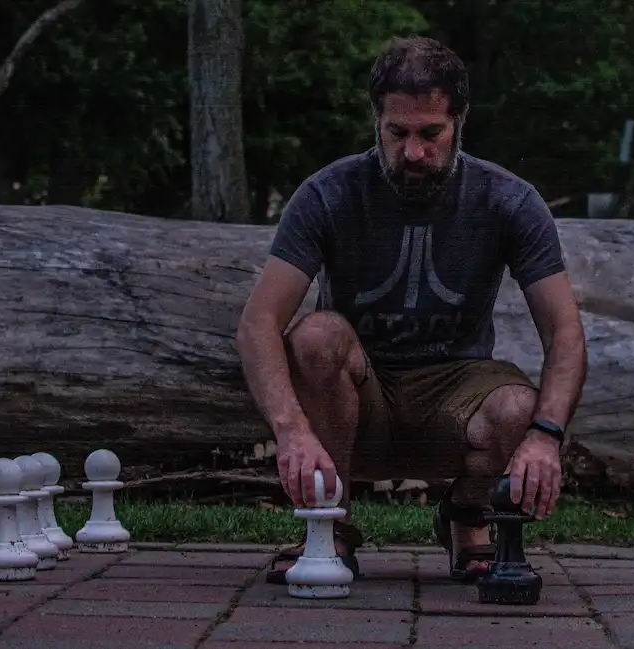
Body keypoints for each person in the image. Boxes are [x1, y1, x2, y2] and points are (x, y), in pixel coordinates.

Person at [235, 35, 588, 585]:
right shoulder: (328, 194)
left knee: (520, 408)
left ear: (460, 121)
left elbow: (564, 332)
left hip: (456, 388)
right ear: (376, 120)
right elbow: (258, 322)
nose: (414, 152)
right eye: (396, 133)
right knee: (316, 337)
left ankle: (468, 520)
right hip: (356, 394)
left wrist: (545, 437)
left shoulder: (509, 200)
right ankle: (330, 529)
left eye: (431, 133)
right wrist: (291, 431)